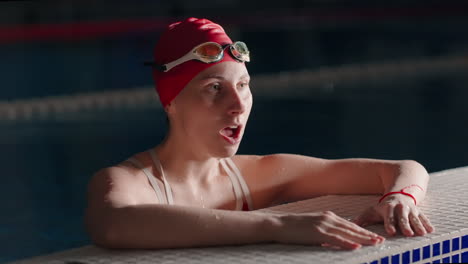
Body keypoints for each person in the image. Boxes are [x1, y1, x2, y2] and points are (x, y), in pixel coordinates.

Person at [85, 17, 434, 251]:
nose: (238, 105)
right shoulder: (128, 180)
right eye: (214, 89)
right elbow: (114, 224)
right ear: (170, 102)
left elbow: (400, 168)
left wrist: (400, 198)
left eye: (243, 85)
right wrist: (277, 226)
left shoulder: (257, 174)